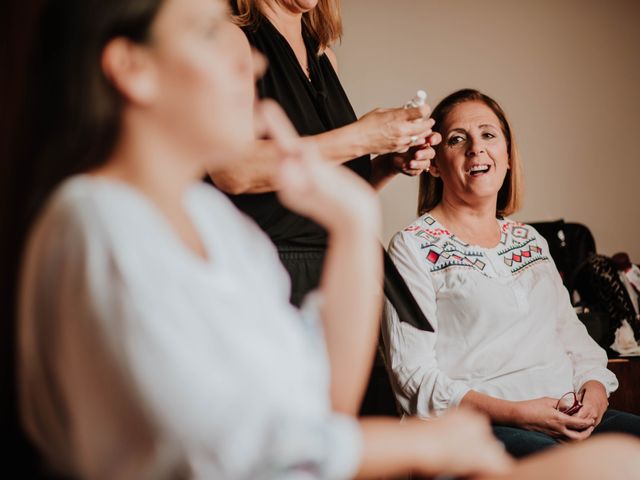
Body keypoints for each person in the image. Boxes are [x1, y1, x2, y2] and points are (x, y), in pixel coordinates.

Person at [382, 88, 640, 458]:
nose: (476, 148)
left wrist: (595, 395)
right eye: (458, 139)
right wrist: (521, 414)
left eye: (488, 134)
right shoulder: (411, 246)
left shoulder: (530, 240)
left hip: (570, 417)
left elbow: (574, 341)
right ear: (435, 164)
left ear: (506, 156)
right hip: (480, 429)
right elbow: (412, 379)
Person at [210, 0, 441, 310]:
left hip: (333, 277)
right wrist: (362, 137)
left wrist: (387, 163)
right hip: (262, 276)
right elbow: (233, 170)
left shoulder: (324, 58)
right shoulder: (230, 39)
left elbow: (322, 192)